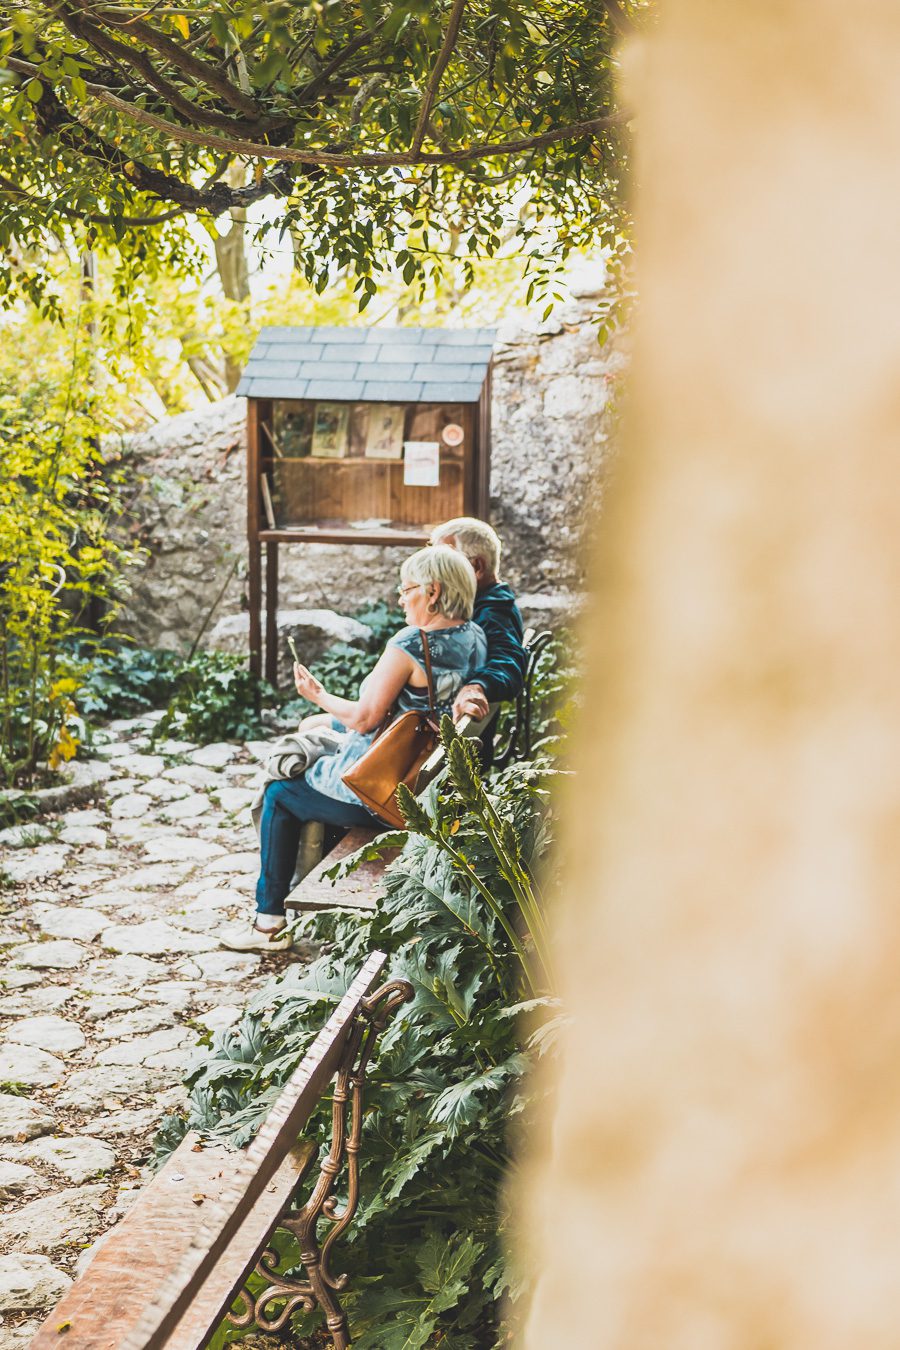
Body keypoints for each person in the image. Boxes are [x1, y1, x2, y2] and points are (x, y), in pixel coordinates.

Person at [222, 545, 487, 953]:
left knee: (279, 791)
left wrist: (318, 695)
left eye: (407, 589)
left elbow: (364, 719)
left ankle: (268, 923)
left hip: (386, 794)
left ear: (432, 592)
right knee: (310, 742)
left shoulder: (411, 645)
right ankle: (302, 895)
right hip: (426, 778)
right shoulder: (473, 636)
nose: (400, 598)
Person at [429, 517, 527, 722]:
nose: (434, 573)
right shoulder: (491, 602)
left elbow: (507, 662)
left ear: (476, 567)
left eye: (446, 562)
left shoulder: (493, 612)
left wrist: (477, 686)